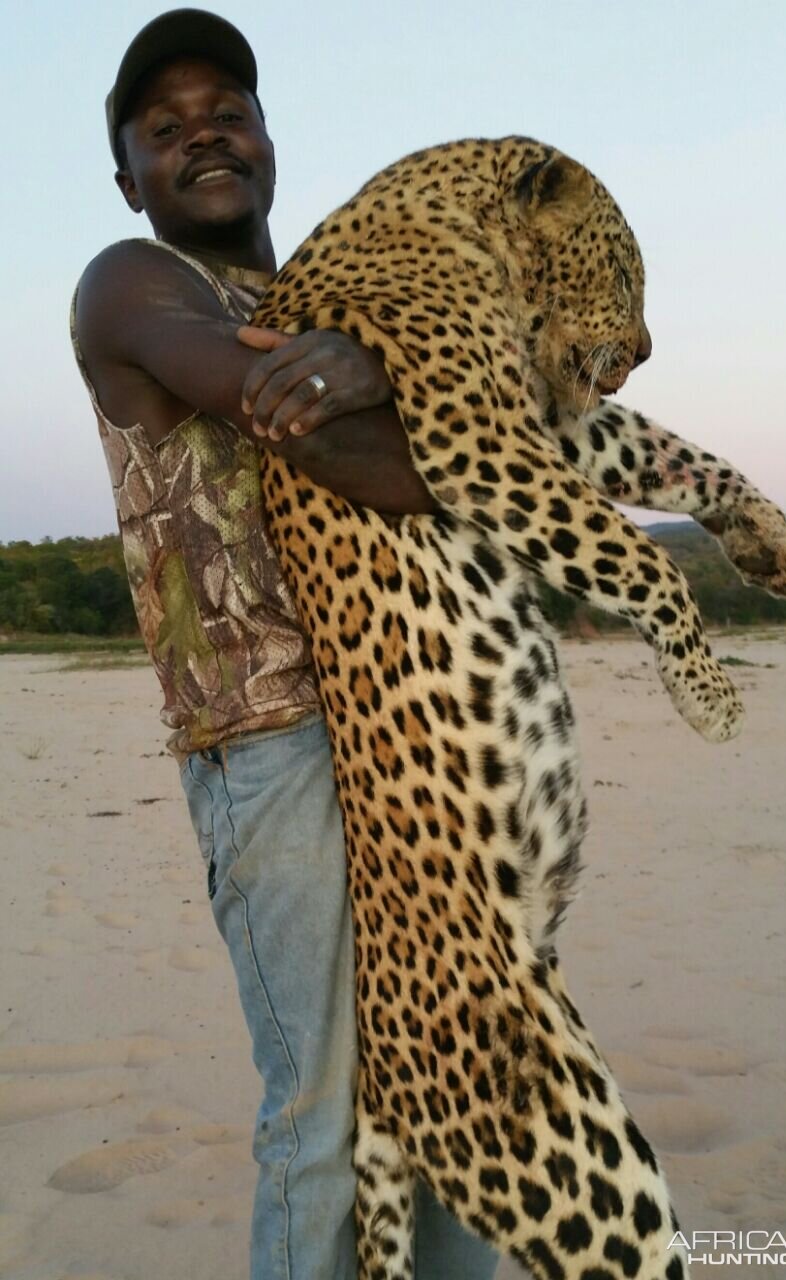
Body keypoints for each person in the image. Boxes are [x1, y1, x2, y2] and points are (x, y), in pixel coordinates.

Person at [71, 9, 499, 1280]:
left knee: (459, 1088)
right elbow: (308, 421)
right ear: (129, 179)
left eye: (228, 111)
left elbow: (452, 444)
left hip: (418, 736)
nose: (204, 131)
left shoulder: (326, 292)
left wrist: (365, 363)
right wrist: (370, 384)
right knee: (323, 1116)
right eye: (165, 127)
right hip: (274, 751)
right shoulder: (131, 283)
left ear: (268, 141)